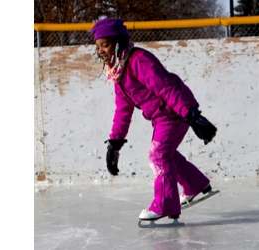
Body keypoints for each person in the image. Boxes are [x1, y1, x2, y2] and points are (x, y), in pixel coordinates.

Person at [92, 18, 219, 222]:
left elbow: (166, 87)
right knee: (166, 154)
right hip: (161, 117)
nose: (101, 51)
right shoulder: (119, 73)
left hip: (174, 112)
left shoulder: (138, 60)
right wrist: (115, 143)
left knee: (158, 155)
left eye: (105, 45)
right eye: (98, 46)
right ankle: (195, 184)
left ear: (118, 43)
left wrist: (192, 114)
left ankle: (165, 204)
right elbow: (123, 111)